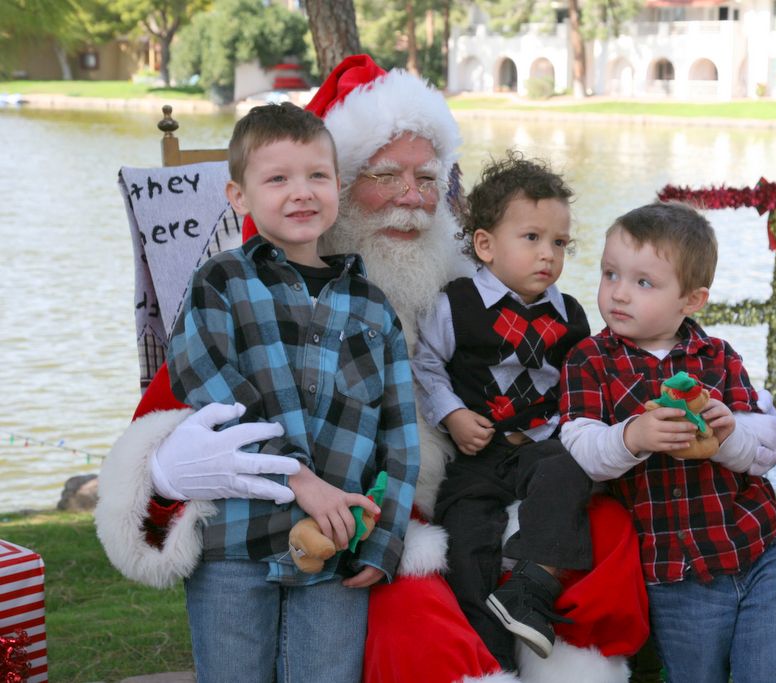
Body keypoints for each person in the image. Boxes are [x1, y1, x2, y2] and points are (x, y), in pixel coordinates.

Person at [97, 54, 672, 682]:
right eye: (385, 175)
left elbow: (422, 414)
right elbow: (173, 413)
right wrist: (166, 462)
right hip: (331, 521)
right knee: (418, 627)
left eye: (427, 178)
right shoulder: (234, 286)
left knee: (605, 532)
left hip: (456, 491)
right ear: (341, 187)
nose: (410, 198)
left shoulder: (464, 283)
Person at [160, 101, 416, 681]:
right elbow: (209, 389)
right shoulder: (221, 283)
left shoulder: (372, 308)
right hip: (235, 541)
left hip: (338, 545)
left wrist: (385, 542)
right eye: (277, 178)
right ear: (239, 197)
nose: (301, 192)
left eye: (316, 176)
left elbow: (399, 436)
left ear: (338, 187)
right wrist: (301, 480)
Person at [559, 201, 776, 683]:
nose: (618, 294)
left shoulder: (717, 357)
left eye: (643, 282)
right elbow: (580, 449)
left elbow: (770, 440)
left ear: (691, 300)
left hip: (757, 553)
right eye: (610, 274)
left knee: (775, 672)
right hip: (675, 573)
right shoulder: (590, 360)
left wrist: (728, 434)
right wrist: (632, 437)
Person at [412, 153, 593, 667]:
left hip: (542, 447)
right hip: (479, 452)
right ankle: (494, 663)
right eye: (532, 238)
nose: (548, 255)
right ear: (486, 245)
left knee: (569, 473)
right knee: (465, 540)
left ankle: (531, 587)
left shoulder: (571, 316)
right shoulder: (457, 303)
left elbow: (577, 384)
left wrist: (564, 428)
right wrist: (451, 414)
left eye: (559, 242)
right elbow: (425, 364)